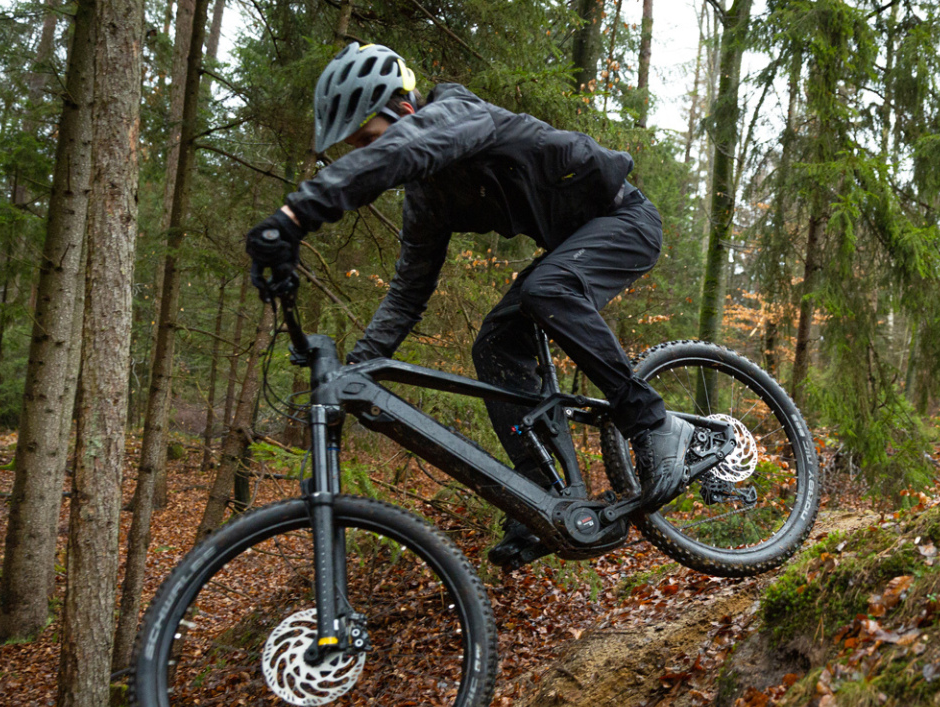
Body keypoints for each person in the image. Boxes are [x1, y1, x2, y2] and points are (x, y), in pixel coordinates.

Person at [247, 42, 693, 565]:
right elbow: (408, 292)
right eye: (356, 148)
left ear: (406, 111)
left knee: (544, 290)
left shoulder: (460, 114)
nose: (368, 155)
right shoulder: (427, 201)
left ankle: (654, 423)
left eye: (369, 138)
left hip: (627, 220)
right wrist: (357, 369)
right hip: (570, 250)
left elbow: (406, 149)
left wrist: (297, 214)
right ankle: (538, 495)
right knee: (495, 343)